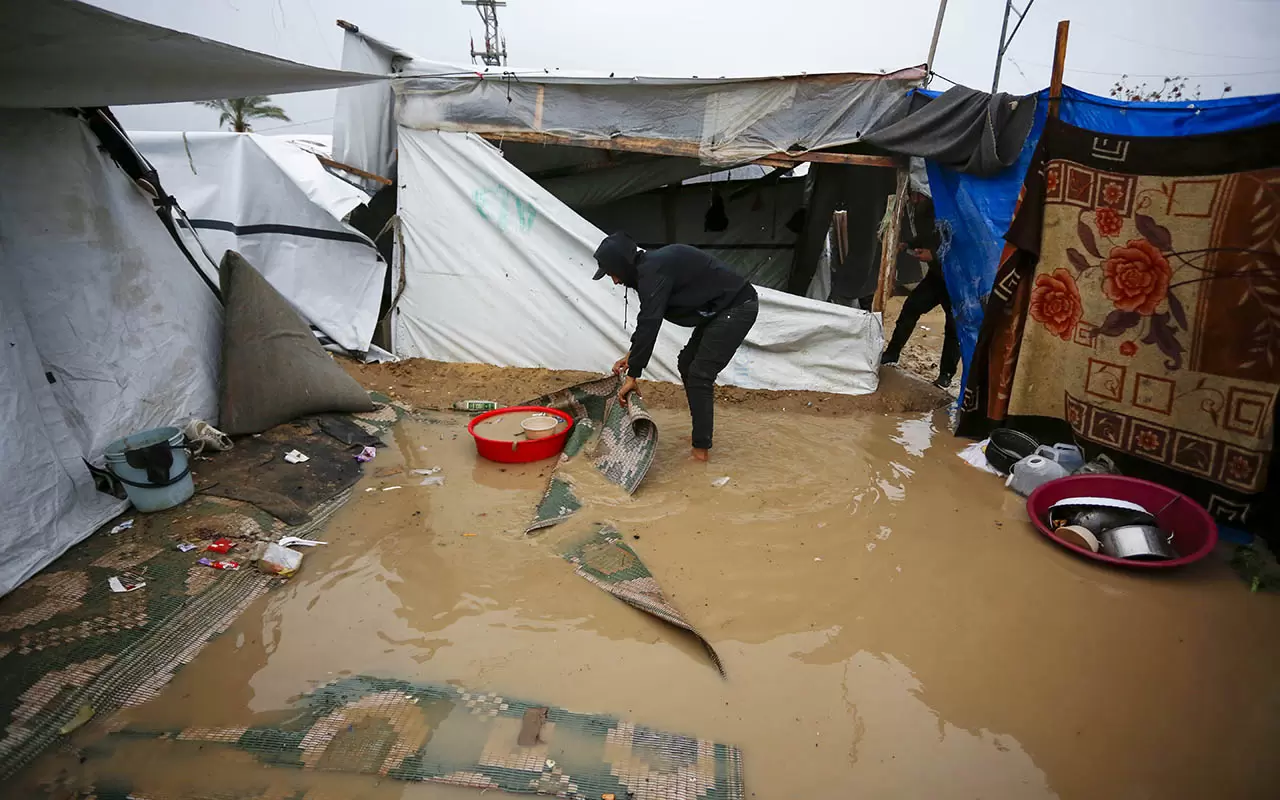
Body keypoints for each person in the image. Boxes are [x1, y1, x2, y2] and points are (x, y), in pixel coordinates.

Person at [592, 232, 758, 462]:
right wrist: (632, 356)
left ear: (622, 265)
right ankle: (700, 433)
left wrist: (634, 375)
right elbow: (647, 320)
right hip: (719, 310)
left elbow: (651, 322)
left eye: (613, 273)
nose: (616, 281)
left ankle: (700, 451)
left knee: (700, 374)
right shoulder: (649, 270)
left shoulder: (653, 272)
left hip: (737, 307)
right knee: (686, 363)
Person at [880, 192, 960, 390]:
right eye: (912, 196)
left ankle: (945, 376)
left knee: (953, 327)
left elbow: (961, 245)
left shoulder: (951, 209)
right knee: (911, 308)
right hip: (937, 277)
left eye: (917, 196)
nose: (914, 200)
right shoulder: (928, 212)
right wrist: (909, 244)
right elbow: (931, 235)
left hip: (957, 280)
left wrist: (933, 255)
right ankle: (891, 355)